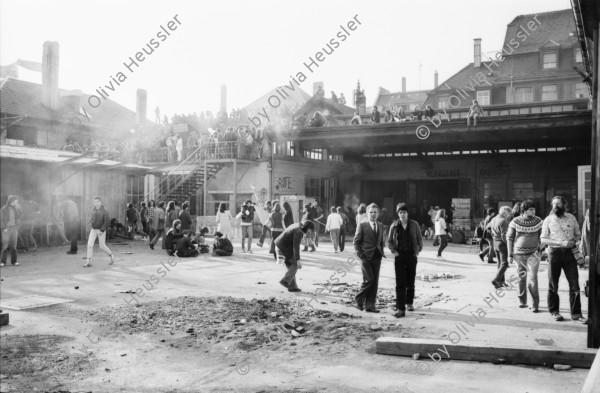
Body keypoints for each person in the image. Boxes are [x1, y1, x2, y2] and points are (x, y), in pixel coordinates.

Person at [541, 196, 587, 323]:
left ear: (564, 205)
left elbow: (578, 234)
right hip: (554, 253)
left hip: (569, 254)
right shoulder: (548, 220)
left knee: (575, 285)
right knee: (553, 285)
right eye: (554, 204)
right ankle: (554, 311)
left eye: (558, 204)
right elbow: (543, 239)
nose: (555, 206)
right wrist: (561, 242)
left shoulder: (571, 218)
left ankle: (577, 314)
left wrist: (573, 241)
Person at [387, 203, 423, 318]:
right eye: (400, 212)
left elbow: (419, 239)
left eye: (404, 212)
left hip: (411, 256)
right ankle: (400, 309)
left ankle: (409, 302)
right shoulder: (394, 226)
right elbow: (389, 241)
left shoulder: (414, 224)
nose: (402, 214)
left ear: (408, 213)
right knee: (400, 282)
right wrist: (394, 252)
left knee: (410, 281)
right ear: (398, 214)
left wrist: (417, 250)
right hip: (400, 256)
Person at [507, 200, 543, 312]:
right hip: (518, 254)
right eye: (531, 209)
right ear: (524, 210)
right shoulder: (515, 221)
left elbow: (543, 236)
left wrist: (540, 249)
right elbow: (510, 238)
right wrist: (510, 255)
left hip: (533, 254)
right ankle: (522, 301)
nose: (533, 211)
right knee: (521, 278)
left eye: (534, 209)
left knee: (533, 278)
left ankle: (535, 304)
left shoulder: (538, 221)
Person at [353, 203, 386, 313]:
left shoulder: (380, 225)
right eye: (371, 212)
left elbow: (381, 241)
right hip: (366, 257)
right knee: (369, 280)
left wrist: (382, 250)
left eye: (375, 212)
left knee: (375, 281)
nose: (373, 214)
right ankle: (359, 299)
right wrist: (361, 255)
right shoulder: (362, 225)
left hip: (377, 256)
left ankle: (370, 306)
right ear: (367, 213)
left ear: (378, 214)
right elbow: (356, 242)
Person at [275, 220, 314, 292]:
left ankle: (292, 287)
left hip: (280, 245)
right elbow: (296, 247)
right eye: (310, 230)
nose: (310, 232)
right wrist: (298, 260)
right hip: (283, 247)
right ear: (307, 227)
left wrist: (311, 244)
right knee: (295, 264)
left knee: (291, 266)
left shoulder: (297, 225)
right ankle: (285, 280)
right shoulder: (298, 232)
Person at [83, 196, 115, 268]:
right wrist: (90, 223)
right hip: (94, 230)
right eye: (95, 202)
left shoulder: (105, 211)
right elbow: (92, 219)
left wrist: (102, 230)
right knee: (89, 245)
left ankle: (111, 256)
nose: (96, 203)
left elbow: (107, 221)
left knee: (102, 246)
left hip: (101, 230)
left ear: (100, 202)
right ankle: (88, 261)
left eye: (97, 202)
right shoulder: (93, 210)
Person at [489, 206, 512, 289]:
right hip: (502, 244)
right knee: (505, 263)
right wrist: (509, 245)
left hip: (495, 242)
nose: (509, 216)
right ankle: (496, 280)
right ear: (505, 213)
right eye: (509, 214)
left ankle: (501, 282)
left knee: (500, 263)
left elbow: (489, 229)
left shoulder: (494, 219)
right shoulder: (504, 221)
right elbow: (504, 235)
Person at [1, 195, 21, 267]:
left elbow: (19, 219)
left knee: (14, 246)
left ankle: (14, 261)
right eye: (16, 200)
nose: (17, 201)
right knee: (5, 246)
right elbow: (1, 219)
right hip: (6, 229)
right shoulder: (4, 209)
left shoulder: (16, 208)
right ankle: (3, 262)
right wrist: (4, 228)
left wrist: (17, 228)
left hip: (14, 229)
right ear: (12, 201)